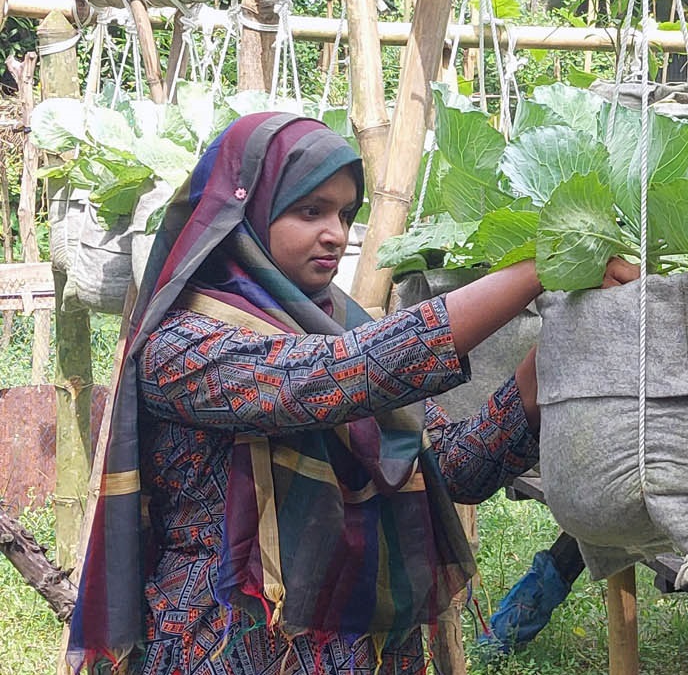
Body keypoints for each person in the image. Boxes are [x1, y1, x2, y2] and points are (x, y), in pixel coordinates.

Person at [64, 112, 633, 674]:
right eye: (310, 211)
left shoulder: (344, 326)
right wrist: (535, 269)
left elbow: (455, 467)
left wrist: (551, 353)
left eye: (344, 213)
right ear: (245, 213)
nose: (335, 233)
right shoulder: (181, 342)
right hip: (229, 643)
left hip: (362, 646)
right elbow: (317, 382)